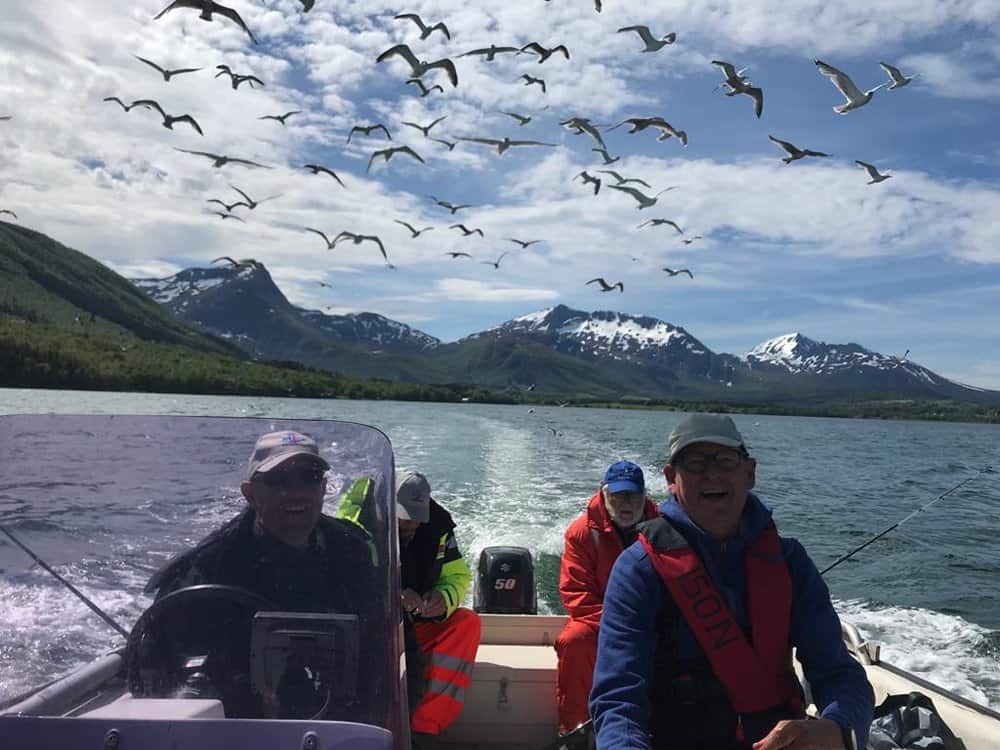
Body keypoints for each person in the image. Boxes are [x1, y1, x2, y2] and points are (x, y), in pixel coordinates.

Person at [590, 414, 874, 750]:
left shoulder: (790, 563)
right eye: (695, 463)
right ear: (671, 478)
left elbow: (840, 674)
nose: (712, 474)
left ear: (749, 473)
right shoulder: (638, 571)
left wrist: (839, 728)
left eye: (725, 460)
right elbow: (619, 700)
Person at [143, 429, 380, 720]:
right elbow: (155, 657)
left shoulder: (353, 551)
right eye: (279, 479)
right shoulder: (210, 562)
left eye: (310, 476)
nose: (296, 491)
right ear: (249, 493)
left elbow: (391, 642)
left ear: (324, 487)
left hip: (343, 723)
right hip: (238, 723)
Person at [555, 460, 660, 741]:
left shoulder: (665, 527)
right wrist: (623, 628)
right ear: (602, 493)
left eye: (633, 496)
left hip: (652, 620)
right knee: (574, 640)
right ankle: (574, 731)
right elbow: (576, 595)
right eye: (618, 495)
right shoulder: (581, 533)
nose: (626, 503)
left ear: (644, 495)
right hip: (602, 621)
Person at [396, 471, 481, 750]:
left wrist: (443, 599)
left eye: (416, 517)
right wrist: (391, 596)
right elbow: (344, 582)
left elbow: (457, 576)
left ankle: (424, 729)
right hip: (374, 623)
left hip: (416, 621)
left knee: (467, 623)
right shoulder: (360, 521)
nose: (410, 525)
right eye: (403, 517)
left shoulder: (439, 527)